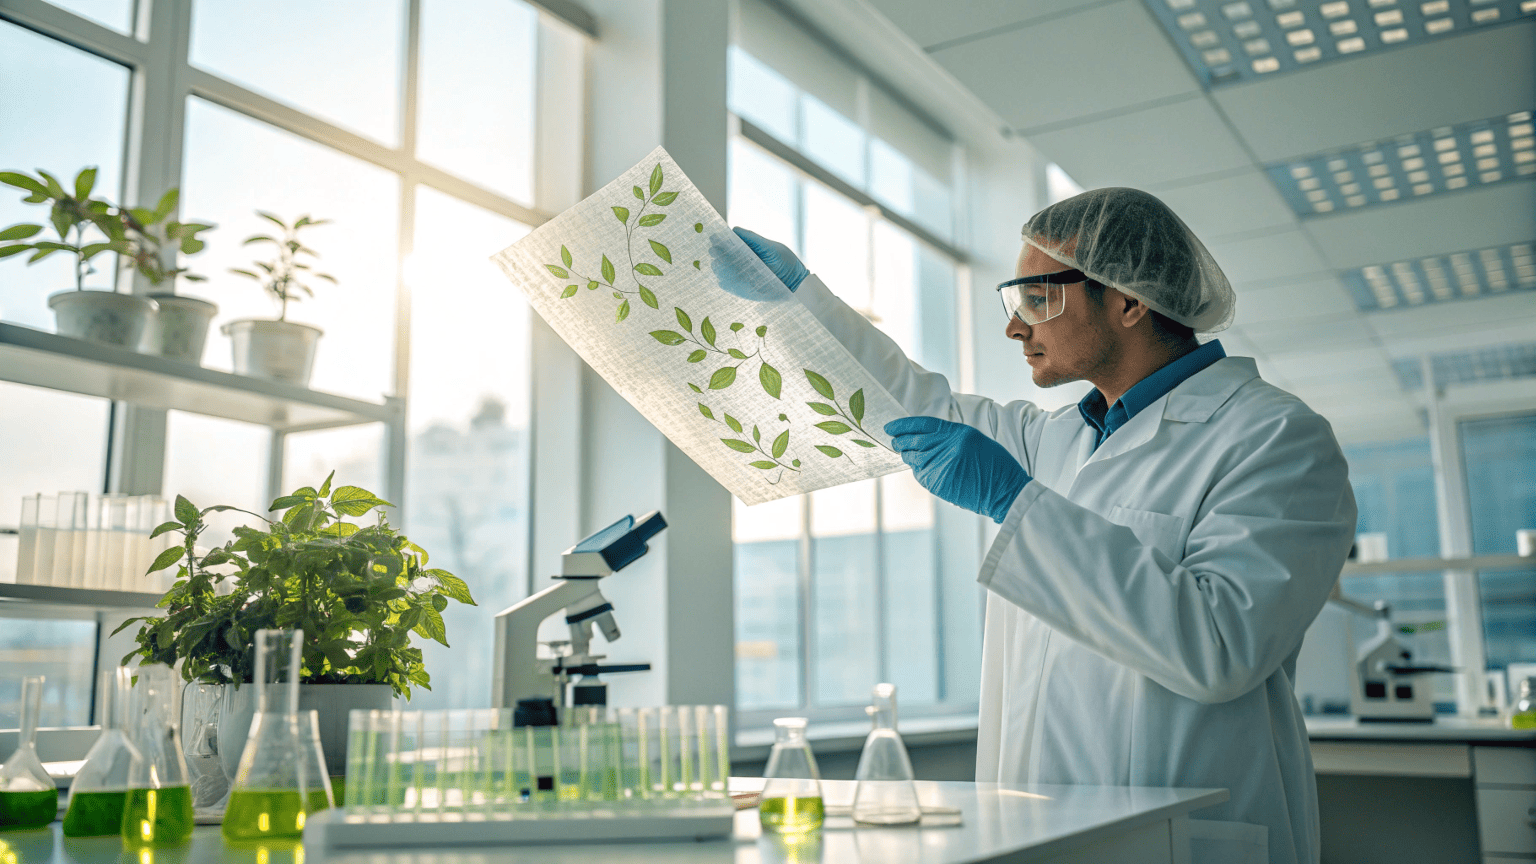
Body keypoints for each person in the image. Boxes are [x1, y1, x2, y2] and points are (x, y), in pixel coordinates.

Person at [735, 187, 1356, 864]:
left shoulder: (1274, 437)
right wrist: (800, 302)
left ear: (1128, 300)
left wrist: (1017, 505)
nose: (1015, 327)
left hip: (1180, 837)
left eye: (1037, 299)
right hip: (1035, 831)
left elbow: (1217, 647)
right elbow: (905, 403)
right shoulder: (1052, 439)